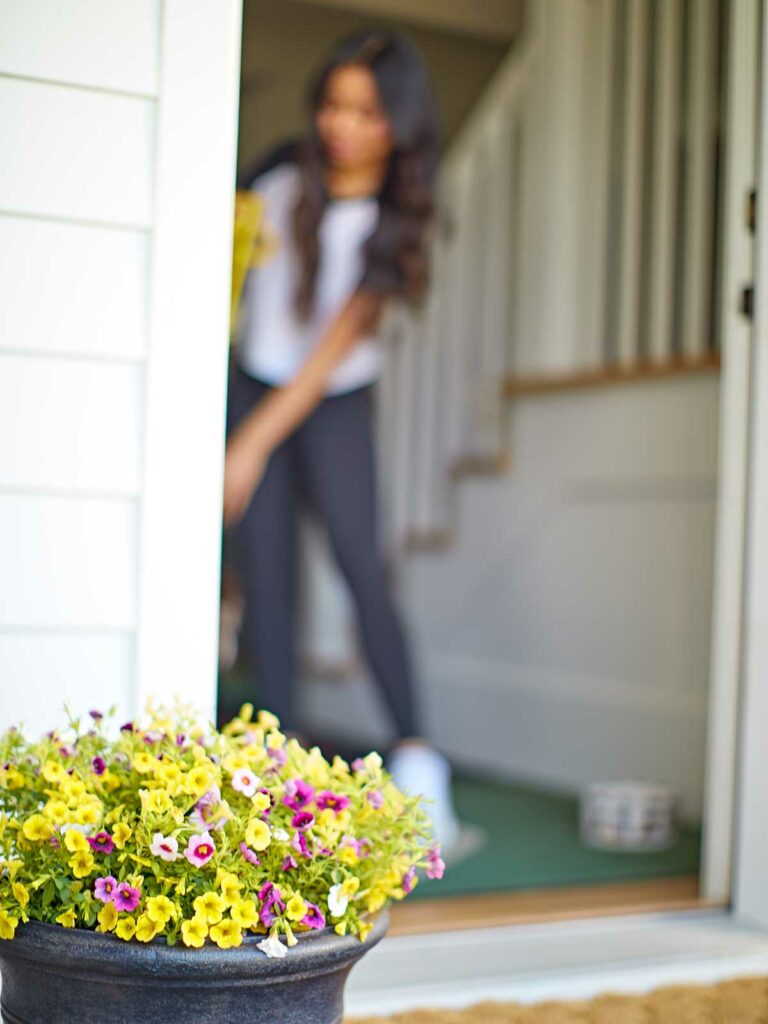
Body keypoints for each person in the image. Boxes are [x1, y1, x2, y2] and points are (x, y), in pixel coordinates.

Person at [223, 29, 459, 851]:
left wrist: (248, 445)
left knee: (362, 566)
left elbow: (323, 362)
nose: (341, 125)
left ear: (398, 122)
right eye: (332, 104)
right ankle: (273, 775)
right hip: (249, 379)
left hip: (331, 401)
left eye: (364, 111)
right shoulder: (279, 172)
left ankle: (420, 763)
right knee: (267, 579)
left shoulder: (397, 223)